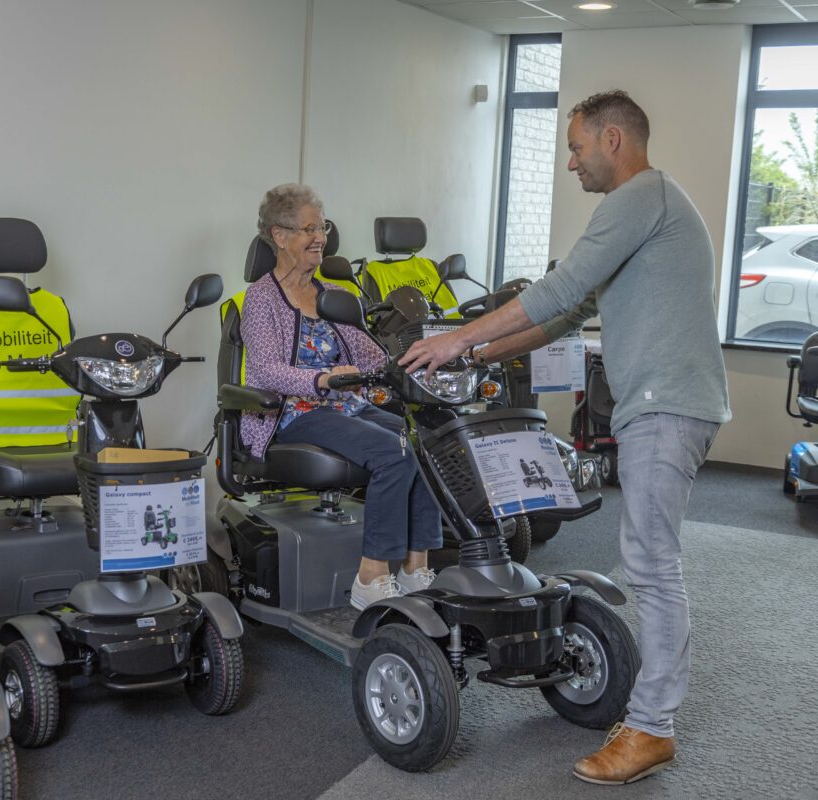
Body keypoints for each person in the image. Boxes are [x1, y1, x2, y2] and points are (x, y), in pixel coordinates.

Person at [400, 90, 730, 785]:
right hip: (667, 403)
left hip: (665, 405)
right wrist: (476, 354)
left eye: (577, 148)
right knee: (650, 560)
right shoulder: (650, 208)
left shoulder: (639, 198)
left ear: (613, 139)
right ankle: (648, 719)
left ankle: (652, 728)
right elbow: (569, 312)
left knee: (652, 567)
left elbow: (558, 289)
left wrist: (454, 337)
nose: (571, 162)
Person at [240, 183, 442, 610]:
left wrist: (406, 357)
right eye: (309, 229)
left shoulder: (335, 295)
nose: (320, 238)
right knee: (392, 452)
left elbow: (370, 354)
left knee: (423, 440)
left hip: (345, 405)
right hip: (291, 412)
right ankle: (371, 575)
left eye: (323, 227)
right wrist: (323, 380)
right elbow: (266, 370)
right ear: (279, 235)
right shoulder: (261, 299)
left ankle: (415, 567)